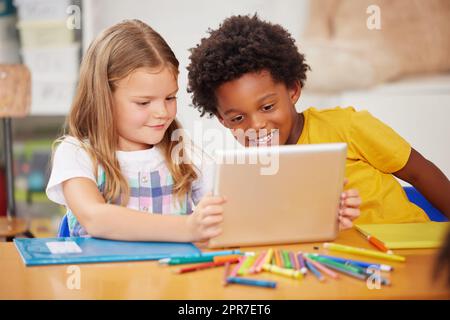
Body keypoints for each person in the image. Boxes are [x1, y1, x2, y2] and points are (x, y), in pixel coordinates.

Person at [187, 14, 450, 224]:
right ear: (223, 121)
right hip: (345, 266)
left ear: (293, 90)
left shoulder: (347, 126)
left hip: (410, 248)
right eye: (238, 118)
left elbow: (419, 171)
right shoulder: (253, 172)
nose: (255, 125)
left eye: (267, 107)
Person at [46, 20, 225, 242]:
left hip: (170, 276)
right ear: (104, 99)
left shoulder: (182, 151)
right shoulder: (76, 153)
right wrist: (187, 227)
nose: (162, 112)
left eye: (170, 98)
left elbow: (227, 208)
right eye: (143, 102)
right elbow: (95, 218)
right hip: (102, 277)